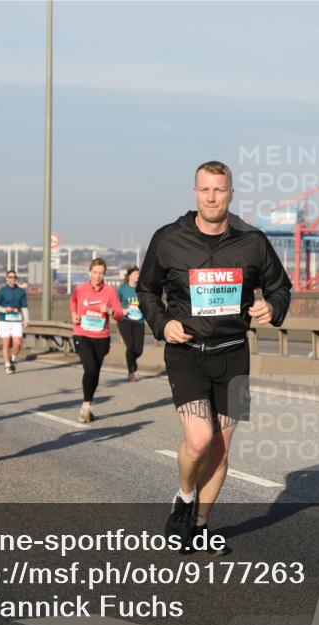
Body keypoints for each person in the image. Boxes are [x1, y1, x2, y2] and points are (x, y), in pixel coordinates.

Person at [137, 160, 291, 553]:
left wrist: (272, 308)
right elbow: (147, 291)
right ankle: (184, 499)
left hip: (234, 355)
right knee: (201, 438)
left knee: (221, 448)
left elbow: (280, 287)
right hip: (186, 354)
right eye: (205, 189)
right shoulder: (169, 238)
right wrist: (162, 324)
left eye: (219, 190)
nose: (211, 197)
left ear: (231, 194)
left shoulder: (252, 241)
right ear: (194, 192)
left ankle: (201, 526)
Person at [70, 258, 124, 422]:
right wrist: (74, 314)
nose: (98, 276)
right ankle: (85, 408)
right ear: (89, 273)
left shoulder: (110, 291)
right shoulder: (80, 289)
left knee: (95, 372)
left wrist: (108, 310)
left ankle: (87, 405)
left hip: (101, 337)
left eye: (101, 273)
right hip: (82, 334)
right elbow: (73, 302)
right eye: (95, 272)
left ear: (104, 274)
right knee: (91, 369)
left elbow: (120, 314)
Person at [0, 270, 28, 374]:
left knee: (18, 343)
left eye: (14, 277)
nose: (12, 279)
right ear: (7, 279)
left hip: (17, 320)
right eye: (10, 277)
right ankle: (7, 365)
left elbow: (24, 307)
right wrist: (5, 310)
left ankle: (12, 359)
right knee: (6, 343)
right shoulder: (2, 291)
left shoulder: (21, 291)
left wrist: (26, 320)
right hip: (4, 320)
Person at [117, 266, 145, 382]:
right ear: (129, 276)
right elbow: (115, 303)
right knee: (130, 346)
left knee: (138, 350)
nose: (137, 276)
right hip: (125, 321)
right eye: (135, 274)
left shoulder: (141, 289)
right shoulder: (123, 289)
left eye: (138, 274)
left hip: (139, 321)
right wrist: (121, 310)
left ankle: (132, 361)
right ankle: (131, 371)